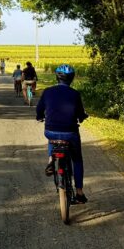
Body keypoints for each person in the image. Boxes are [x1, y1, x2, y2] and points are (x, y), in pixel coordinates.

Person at [36, 64, 88, 203]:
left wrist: (39, 117)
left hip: (50, 131)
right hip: (70, 133)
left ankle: (51, 160)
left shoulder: (47, 91)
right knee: (77, 160)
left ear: (57, 77)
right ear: (72, 79)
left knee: (53, 138)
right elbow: (80, 113)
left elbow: (39, 109)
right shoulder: (75, 94)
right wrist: (82, 117)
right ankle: (79, 192)